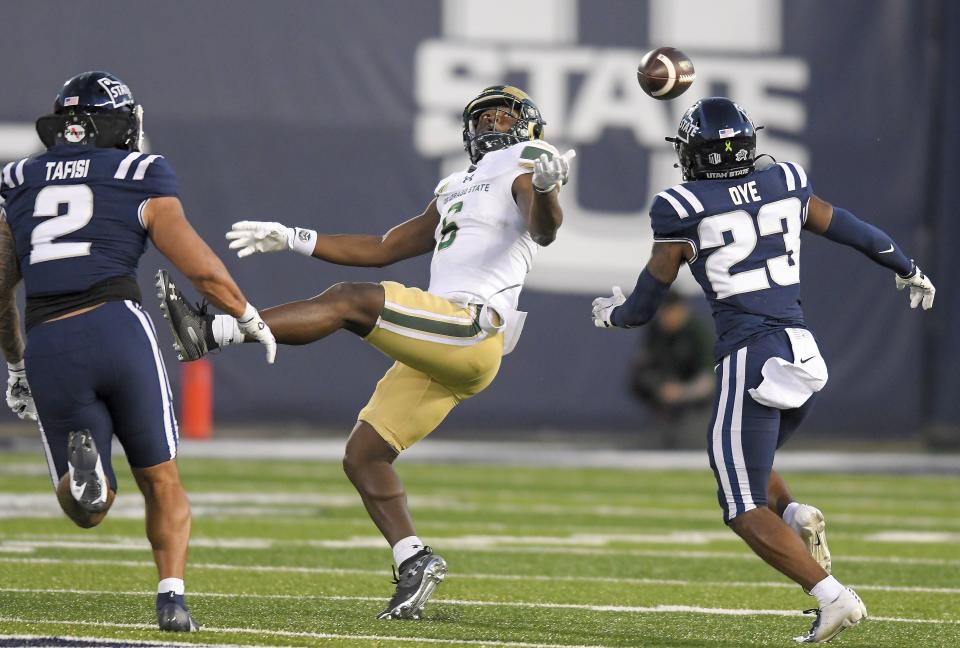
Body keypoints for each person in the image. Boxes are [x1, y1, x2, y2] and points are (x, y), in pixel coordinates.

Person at [156, 85, 574, 620]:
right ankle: (414, 560)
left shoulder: (528, 160)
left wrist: (548, 192)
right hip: (444, 343)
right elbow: (382, 248)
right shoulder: (455, 183)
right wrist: (292, 237)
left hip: (472, 324)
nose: (492, 124)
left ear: (528, 125)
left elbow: (544, 230)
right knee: (364, 456)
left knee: (348, 302)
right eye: (484, 116)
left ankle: (215, 332)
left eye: (503, 115)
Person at [591, 97, 935, 643]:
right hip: (801, 349)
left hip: (750, 357)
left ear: (695, 155)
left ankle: (833, 597)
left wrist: (613, 316)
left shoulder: (680, 205)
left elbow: (647, 299)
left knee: (740, 505)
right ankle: (795, 511)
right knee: (754, 470)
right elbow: (846, 226)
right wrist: (906, 265)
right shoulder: (786, 181)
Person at [0, 71, 276, 632]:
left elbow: (0, 285)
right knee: (162, 477)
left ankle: (90, 477)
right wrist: (247, 316)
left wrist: (16, 362)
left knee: (87, 512)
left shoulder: (18, 179)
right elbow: (197, 264)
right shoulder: (137, 172)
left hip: (50, 339)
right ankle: (171, 597)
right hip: (118, 328)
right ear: (120, 123)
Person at [628, 291, 713, 448]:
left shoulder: (698, 332)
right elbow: (644, 363)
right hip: (664, 388)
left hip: (692, 394)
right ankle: (661, 429)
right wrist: (660, 386)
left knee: (692, 438)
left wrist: (682, 392)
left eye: (668, 312)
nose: (664, 318)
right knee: (640, 379)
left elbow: (708, 380)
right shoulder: (656, 330)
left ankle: (692, 434)